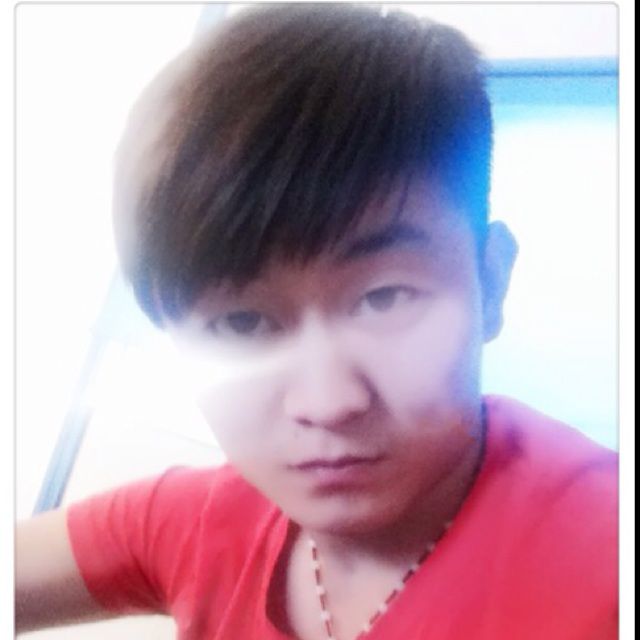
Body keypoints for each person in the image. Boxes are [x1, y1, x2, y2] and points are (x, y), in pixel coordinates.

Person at [15, 4, 618, 639]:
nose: (328, 403)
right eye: (242, 323)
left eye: (385, 298)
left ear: (490, 282)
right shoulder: (203, 519)